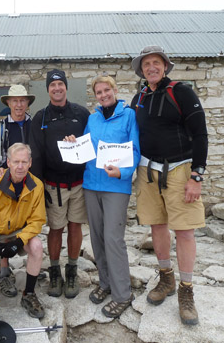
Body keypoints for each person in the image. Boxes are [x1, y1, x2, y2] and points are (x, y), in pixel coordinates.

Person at [130, 45, 208, 325]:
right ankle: (166, 279)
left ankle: (186, 291)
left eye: (156, 63)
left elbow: (200, 134)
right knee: (157, 226)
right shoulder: (138, 97)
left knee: (185, 231)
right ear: (140, 69)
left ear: (165, 66)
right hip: (148, 171)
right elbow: (129, 132)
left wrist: (196, 176)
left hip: (179, 169)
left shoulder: (182, 92)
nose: (151, 67)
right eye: (146, 64)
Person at [82, 75, 140, 318]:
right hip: (91, 185)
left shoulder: (128, 116)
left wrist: (123, 172)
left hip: (116, 186)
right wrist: (74, 143)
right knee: (97, 239)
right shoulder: (92, 119)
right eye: (99, 92)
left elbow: (135, 150)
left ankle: (122, 295)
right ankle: (105, 283)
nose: (103, 94)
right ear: (95, 95)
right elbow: (85, 147)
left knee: (113, 240)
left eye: (107, 90)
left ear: (115, 91)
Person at [29, 69, 90, 299]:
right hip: (53, 185)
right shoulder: (40, 117)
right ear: (47, 90)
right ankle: (54, 270)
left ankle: (71, 269)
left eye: (60, 85)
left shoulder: (82, 114)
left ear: (66, 87)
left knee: (75, 226)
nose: (57, 89)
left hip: (78, 183)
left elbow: (90, 144)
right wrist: (38, 187)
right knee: (56, 228)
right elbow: (35, 153)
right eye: (52, 85)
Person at [0, 143, 46, 319]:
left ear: (30, 163)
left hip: (18, 231)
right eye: (16, 161)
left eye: (24, 162)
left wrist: (19, 241)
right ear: (8, 162)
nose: (20, 166)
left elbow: (37, 220)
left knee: (37, 246)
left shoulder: (37, 186)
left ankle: (28, 294)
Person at [0, 84, 35, 297]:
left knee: (32, 223)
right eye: (14, 100)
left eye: (22, 100)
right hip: (7, 182)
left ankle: (32, 268)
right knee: (5, 224)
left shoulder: (35, 124)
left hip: (31, 183)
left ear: (27, 103)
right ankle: (4, 272)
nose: (19, 104)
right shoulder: (1, 126)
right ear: (8, 103)